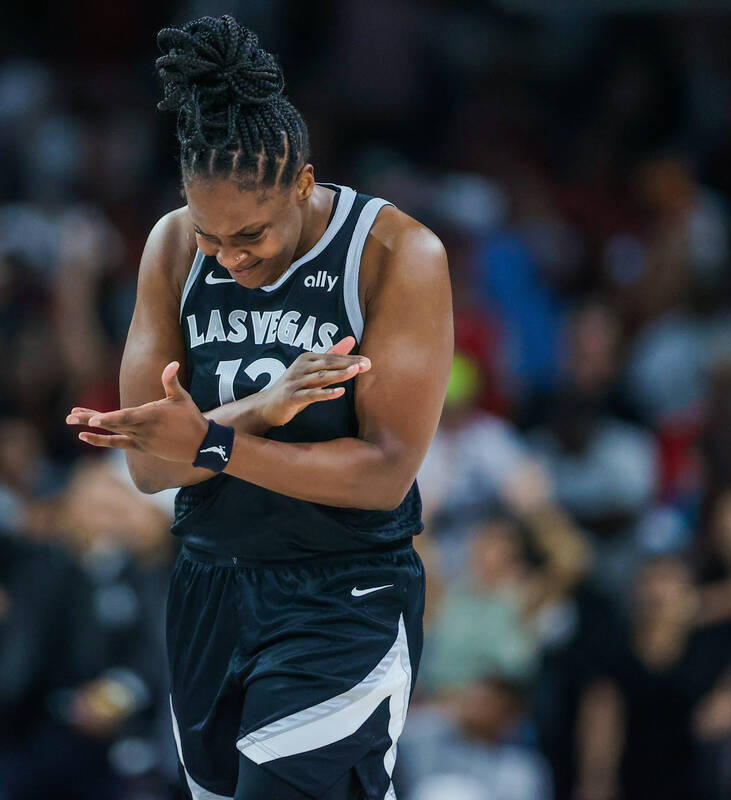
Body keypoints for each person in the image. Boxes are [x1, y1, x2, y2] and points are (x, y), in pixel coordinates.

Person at [67, 15, 452, 800]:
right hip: (210, 586)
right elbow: (147, 464)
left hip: (344, 593)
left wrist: (214, 441)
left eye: (252, 235)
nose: (231, 257)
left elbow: (383, 473)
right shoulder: (172, 248)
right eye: (213, 235)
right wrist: (255, 409)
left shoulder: (396, 255)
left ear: (304, 184)